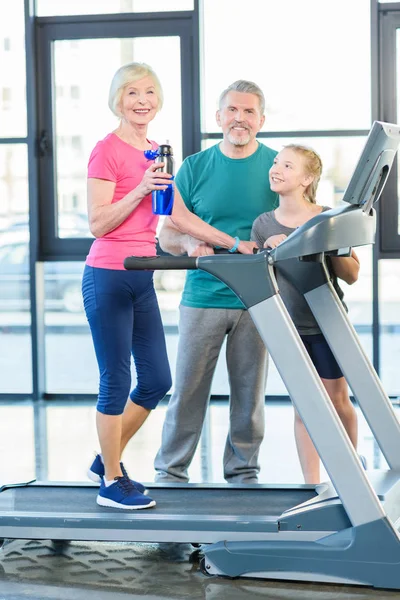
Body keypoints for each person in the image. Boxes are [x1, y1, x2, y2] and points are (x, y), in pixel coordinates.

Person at [82, 63, 255, 510]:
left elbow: (178, 217)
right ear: (117, 99)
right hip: (108, 274)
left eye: (150, 93)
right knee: (116, 381)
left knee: (157, 380)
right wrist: (140, 189)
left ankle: (107, 457)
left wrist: (234, 243)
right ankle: (112, 480)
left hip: (141, 277)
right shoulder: (107, 151)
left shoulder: (155, 150)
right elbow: (98, 223)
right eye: (132, 93)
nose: (142, 101)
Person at [154, 80, 278, 484]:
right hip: (204, 293)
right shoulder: (194, 167)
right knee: (188, 390)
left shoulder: (277, 167)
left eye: (248, 112)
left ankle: (244, 472)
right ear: (219, 117)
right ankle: (171, 472)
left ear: (261, 119)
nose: (239, 118)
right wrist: (191, 238)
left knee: (249, 395)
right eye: (232, 110)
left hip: (257, 296)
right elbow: (166, 237)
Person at [251, 144, 361, 484]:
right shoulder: (263, 224)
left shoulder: (327, 218)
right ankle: (312, 485)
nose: (276, 168)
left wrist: (318, 243)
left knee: (338, 400)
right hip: (288, 327)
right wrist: (267, 253)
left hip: (327, 324)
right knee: (305, 405)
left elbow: (352, 273)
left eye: (287, 165)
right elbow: (259, 282)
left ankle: (350, 478)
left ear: (307, 179)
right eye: (275, 162)